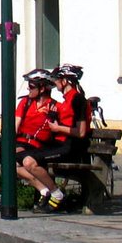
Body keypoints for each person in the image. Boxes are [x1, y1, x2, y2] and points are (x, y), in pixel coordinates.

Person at [0, 68, 57, 211]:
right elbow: (15, 125)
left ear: (42, 88)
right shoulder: (25, 102)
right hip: (17, 140)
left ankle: (9, 194)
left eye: (32, 86)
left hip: (33, 144)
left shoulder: (52, 106)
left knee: (12, 159)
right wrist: (6, 142)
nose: (29, 89)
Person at [24, 63, 92, 212]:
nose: (55, 82)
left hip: (71, 147)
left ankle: (57, 195)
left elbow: (80, 132)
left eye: (57, 79)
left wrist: (57, 128)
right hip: (59, 144)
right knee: (22, 157)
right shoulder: (65, 100)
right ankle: (47, 194)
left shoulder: (77, 99)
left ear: (65, 81)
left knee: (30, 162)